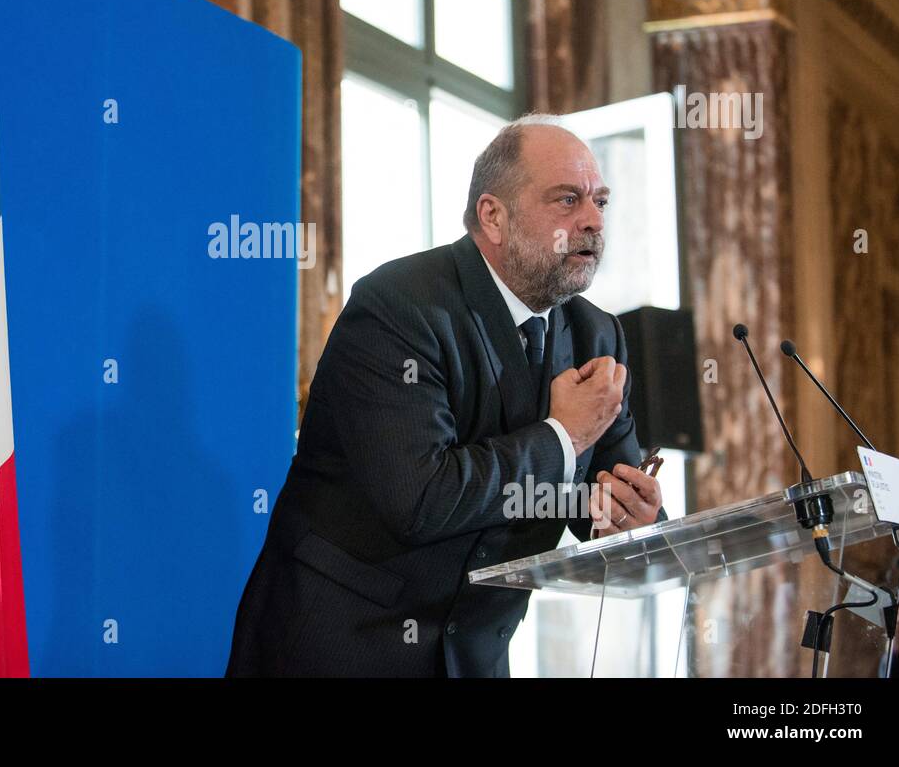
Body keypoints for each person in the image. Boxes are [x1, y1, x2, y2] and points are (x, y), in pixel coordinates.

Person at [226, 114, 663, 677]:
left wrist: (630, 517)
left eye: (600, 201)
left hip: (475, 655)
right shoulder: (398, 306)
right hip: (342, 646)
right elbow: (420, 500)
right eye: (567, 199)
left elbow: (598, 494)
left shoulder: (596, 335)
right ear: (494, 216)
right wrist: (563, 435)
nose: (593, 221)